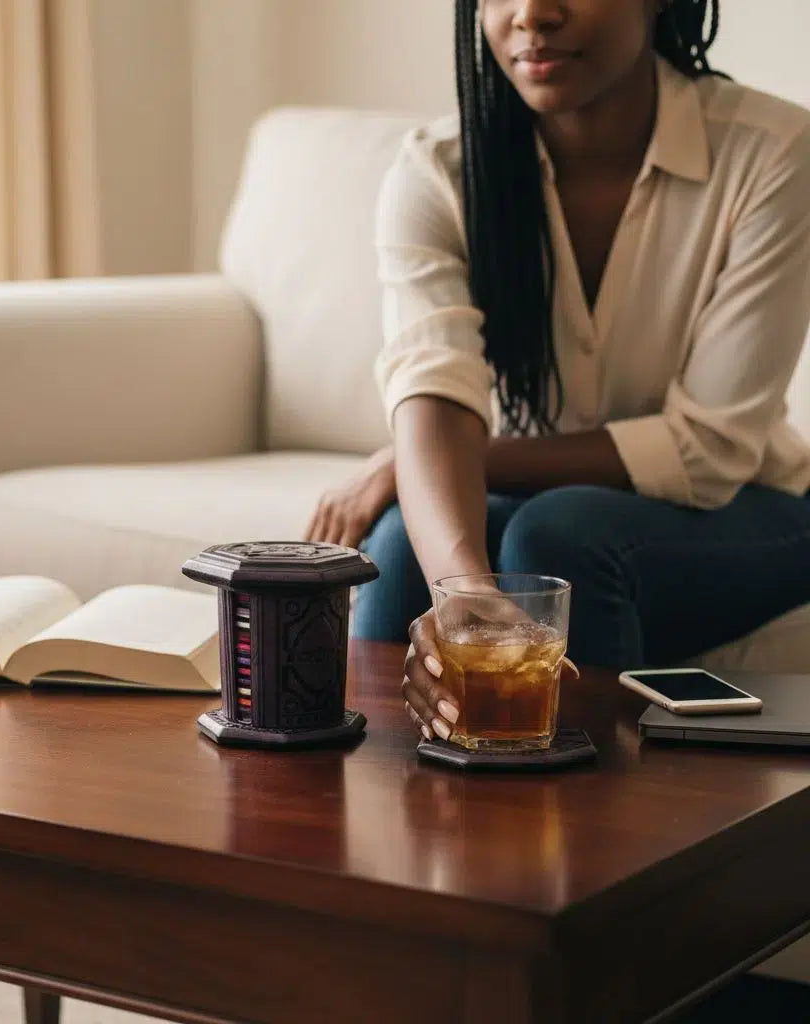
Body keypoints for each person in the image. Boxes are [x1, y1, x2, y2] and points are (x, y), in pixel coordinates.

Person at [304, 0, 810, 742]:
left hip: (750, 510)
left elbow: (708, 450)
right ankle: (376, 828)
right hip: (552, 504)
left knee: (557, 539)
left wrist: (409, 462)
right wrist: (466, 587)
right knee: (400, 545)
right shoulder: (438, 172)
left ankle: (601, 835)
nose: (533, 14)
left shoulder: (772, 152)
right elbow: (434, 388)